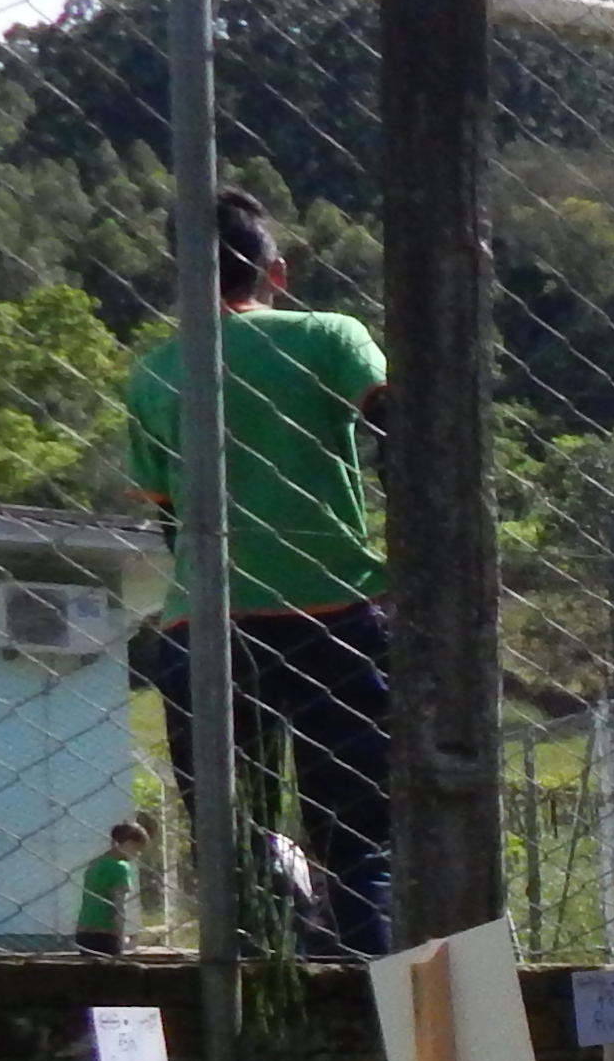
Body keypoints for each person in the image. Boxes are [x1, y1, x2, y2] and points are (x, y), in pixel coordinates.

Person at [122, 187, 393, 958]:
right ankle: (374, 1002)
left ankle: (253, 1002)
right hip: (334, 606)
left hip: (203, 618)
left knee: (235, 842)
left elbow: (170, 517)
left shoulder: (154, 376)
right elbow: (393, 417)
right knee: (361, 839)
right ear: (276, 270)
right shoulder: (328, 335)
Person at [73, 817, 149, 954]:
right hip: (106, 932)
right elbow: (118, 904)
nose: (138, 854)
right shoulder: (121, 867)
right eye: (137, 848)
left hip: (83, 931)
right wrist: (120, 936)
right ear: (128, 843)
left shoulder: (95, 864)